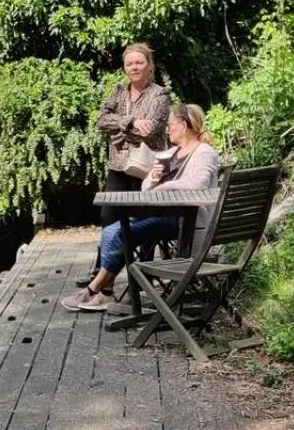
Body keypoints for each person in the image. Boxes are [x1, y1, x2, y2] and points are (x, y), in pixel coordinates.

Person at [63, 103, 222, 312]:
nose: (167, 129)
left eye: (171, 124)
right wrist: (154, 179)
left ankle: (97, 288)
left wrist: (165, 186)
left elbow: (198, 185)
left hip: (188, 223)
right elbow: (147, 188)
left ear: (183, 125)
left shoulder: (204, 153)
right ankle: (106, 291)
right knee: (112, 230)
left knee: (125, 233)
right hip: (164, 215)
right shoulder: (172, 152)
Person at [95, 44, 170, 214]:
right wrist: (133, 122)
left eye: (139, 62)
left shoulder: (160, 94)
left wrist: (118, 129)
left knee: (143, 220)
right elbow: (101, 122)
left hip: (146, 166)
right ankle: (113, 242)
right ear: (124, 68)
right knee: (108, 216)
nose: (134, 67)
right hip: (119, 166)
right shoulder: (118, 91)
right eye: (129, 64)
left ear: (150, 66)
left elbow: (151, 131)